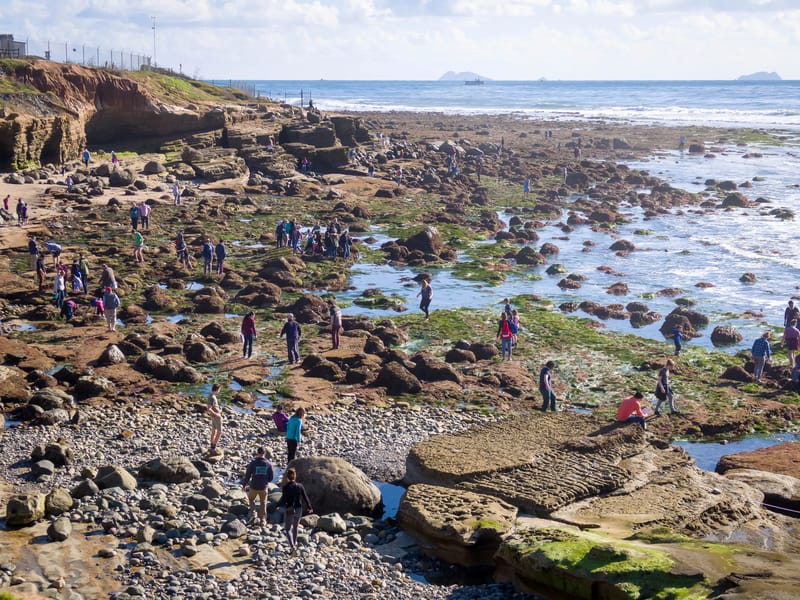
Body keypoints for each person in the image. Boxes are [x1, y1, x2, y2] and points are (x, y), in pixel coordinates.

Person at [276, 466, 313, 554]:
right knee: (295, 527)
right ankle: (295, 544)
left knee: (288, 529)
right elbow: (305, 497)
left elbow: (283, 499)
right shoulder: (300, 486)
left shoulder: (285, 487)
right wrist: (309, 507)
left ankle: (292, 546)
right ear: (295, 476)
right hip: (299, 509)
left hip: (290, 509)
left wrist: (277, 505)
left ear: (287, 477)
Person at [241, 447, 274, 527]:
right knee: (263, 503)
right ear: (265, 453)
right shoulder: (269, 464)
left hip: (254, 486)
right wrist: (266, 481)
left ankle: (253, 513)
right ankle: (263, 521)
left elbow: (248, 475)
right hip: (263, 487)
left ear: (257, 453)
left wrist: (244, 485)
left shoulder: (253, 463)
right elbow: (271, 477)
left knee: (251, 499)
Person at [206, 383, 223, 454]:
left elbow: (212, 407)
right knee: (219, 432)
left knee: (214, 430)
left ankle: (212, 445)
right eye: (219, 389)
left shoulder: (211, 395)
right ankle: (213, 447)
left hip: (213, 416)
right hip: (216, 417)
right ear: (217, 389)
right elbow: (209, 408)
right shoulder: (212, 397)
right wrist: (217, 414)